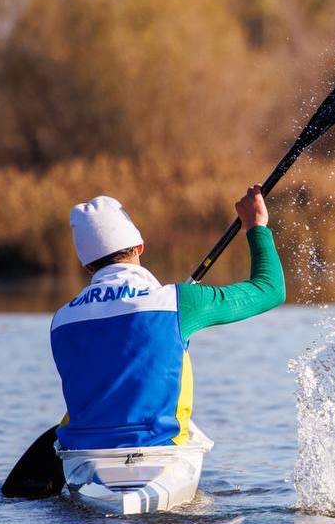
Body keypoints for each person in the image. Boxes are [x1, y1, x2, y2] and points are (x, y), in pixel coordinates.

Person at [50, 187, 285, 460]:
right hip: (160, 450)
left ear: (87, 267)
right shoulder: (177, 301)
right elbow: (271, 289)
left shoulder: (61, 320)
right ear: (139, 247)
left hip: (84, 454)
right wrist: (257, 227)